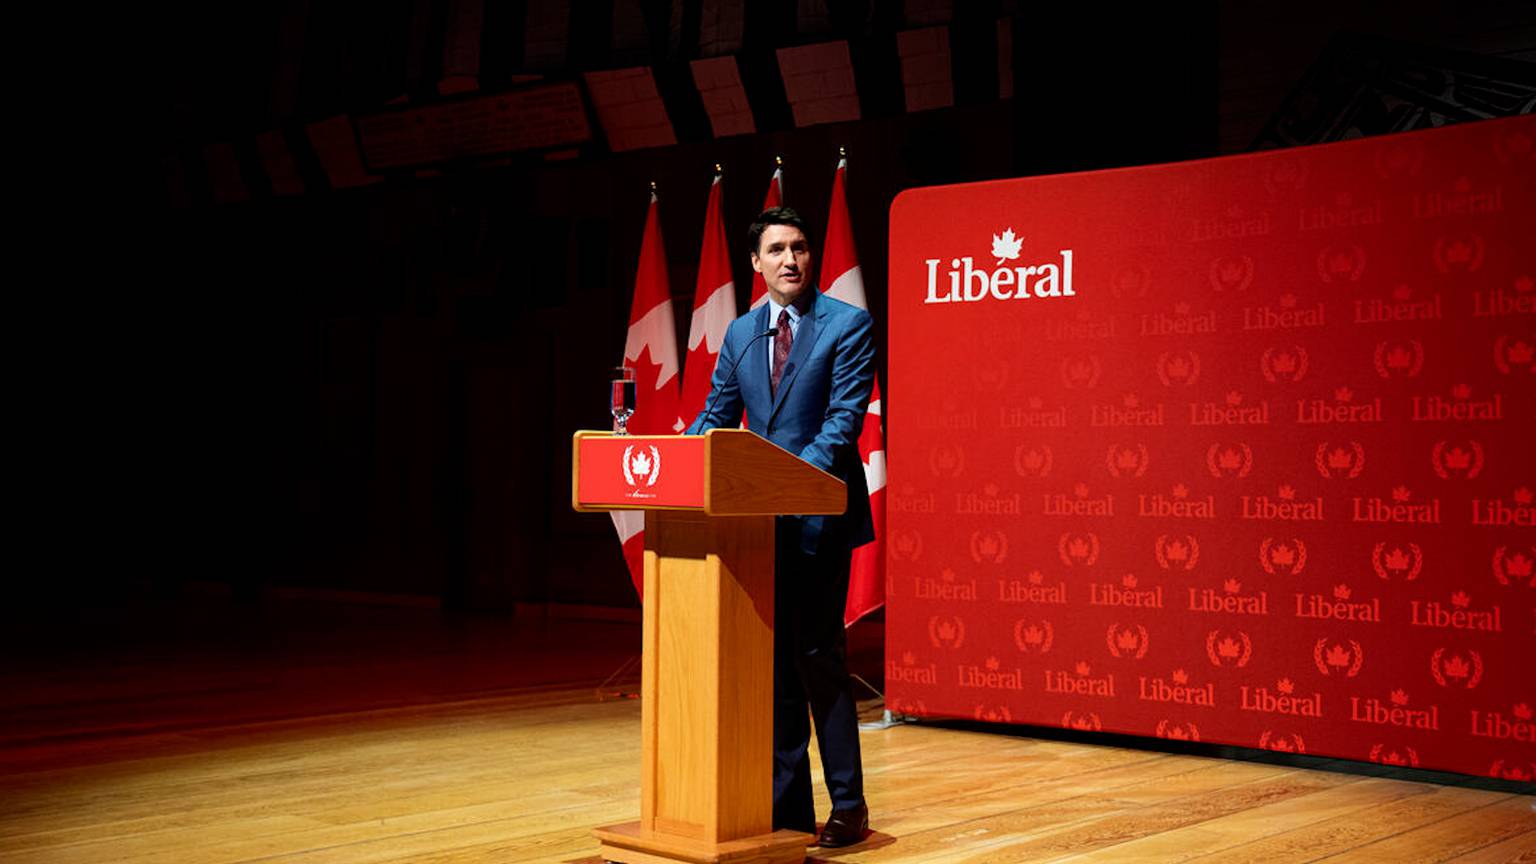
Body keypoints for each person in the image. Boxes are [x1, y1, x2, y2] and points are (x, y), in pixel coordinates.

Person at [686, 207, 874, 848]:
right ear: (756, 263)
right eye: (778, 249)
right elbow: (715, 415)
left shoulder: (847, 326)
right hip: (755, 526)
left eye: (799, 247)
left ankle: (849, 807)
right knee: (771, 671)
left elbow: (842, 423)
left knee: (819, 659)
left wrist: (782, 486)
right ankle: (788, 807)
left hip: (817, 519)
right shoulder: (740, 333)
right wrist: (672, 466)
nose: (791, 259)